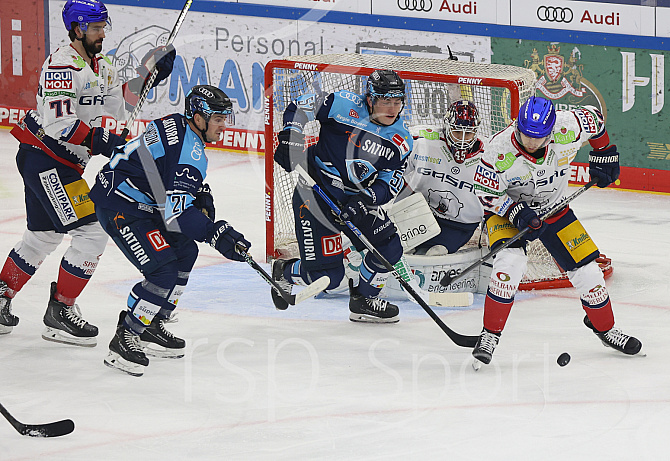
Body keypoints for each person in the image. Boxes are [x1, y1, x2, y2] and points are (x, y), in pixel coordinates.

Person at [0, 0, 175, 345]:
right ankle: (60, 312)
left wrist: (146, 76)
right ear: (77, 29)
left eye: (103, 27)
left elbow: (119, 103)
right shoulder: (62, 66)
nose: (102, 34)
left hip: (55, 161)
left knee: (42, 236)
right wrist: (103, 140)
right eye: (95, 28)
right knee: (93, 231)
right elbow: (60, 124)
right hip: (46, 158)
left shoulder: (101, 65)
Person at [89, 85, 251, 376]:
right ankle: (127, 335)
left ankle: (152, 322)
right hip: (120, 206)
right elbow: (176, 214)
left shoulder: (177, 125)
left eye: (225, 119)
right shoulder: (188, 151)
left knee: (185, 250)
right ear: (198, 118)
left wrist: (200, 192)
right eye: (217, 119)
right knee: (163, 271)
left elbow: (167, 176)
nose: (223, 126)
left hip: (139, 200)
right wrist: (216, 233)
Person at [471, 96, 642, 366]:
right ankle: (489, 335)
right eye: (526, 135)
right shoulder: (498, 150)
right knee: (510, 263)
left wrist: (603, 153)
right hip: (508, 211)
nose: (531, 143)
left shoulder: (567, 127)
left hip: (555, 209)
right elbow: (484, 192)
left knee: (589, 272)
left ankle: (606, 330)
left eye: (538, 137)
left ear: (552, 132)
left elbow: (594, 119)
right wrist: (516, 213)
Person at [272, 70, 412, 323]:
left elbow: (389, 182)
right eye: (385, 101)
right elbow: (299, 106)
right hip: (315, 194)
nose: (392, 109)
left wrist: (365, 200)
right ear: (370, 99)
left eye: (397, 101)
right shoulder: (341, 104)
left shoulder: (401, 140)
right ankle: (285, 271)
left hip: (354, 200)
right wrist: (290, 135)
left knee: (388, 247)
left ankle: (364, 300)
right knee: (329, 278)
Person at [402, 100, 484, 256]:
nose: (463, 139)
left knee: (435, 254)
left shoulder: (488, 156)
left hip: (460, 225)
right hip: (421, 213)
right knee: (400, 248)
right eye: (457, 132)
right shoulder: (423, 141)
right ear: (447, 127)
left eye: (468, 133)